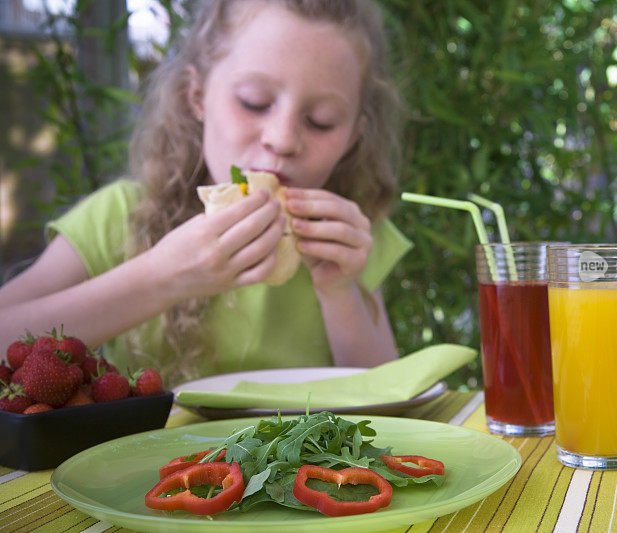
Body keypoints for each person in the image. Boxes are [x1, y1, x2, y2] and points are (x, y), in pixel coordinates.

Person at [0, 0, 411, 386]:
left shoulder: (349, 235)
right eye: (254, 102)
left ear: (354, 137)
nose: (283, 139)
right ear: (196, 96)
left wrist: (339, 290)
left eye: (321, 121)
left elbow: (385, 399)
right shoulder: (122, 214)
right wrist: (162, 277)